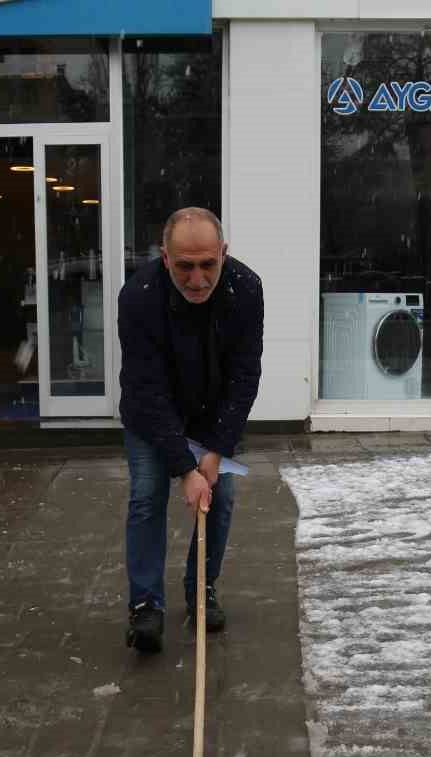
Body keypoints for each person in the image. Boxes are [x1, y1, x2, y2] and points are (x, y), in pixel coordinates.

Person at [118, 207, 264, 653]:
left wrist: (215, 451)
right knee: (147, 494)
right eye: (185, 266)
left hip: (211, 415)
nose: (197, 278)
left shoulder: (246, 290)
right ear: (166, 258)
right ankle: (146, 605)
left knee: (220, 497)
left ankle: (201, 589)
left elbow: (244, 377)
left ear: (224, 254)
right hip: (152, 414)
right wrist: (185, 469)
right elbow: (147, 390)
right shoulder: (139, 297)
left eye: (208, 264)